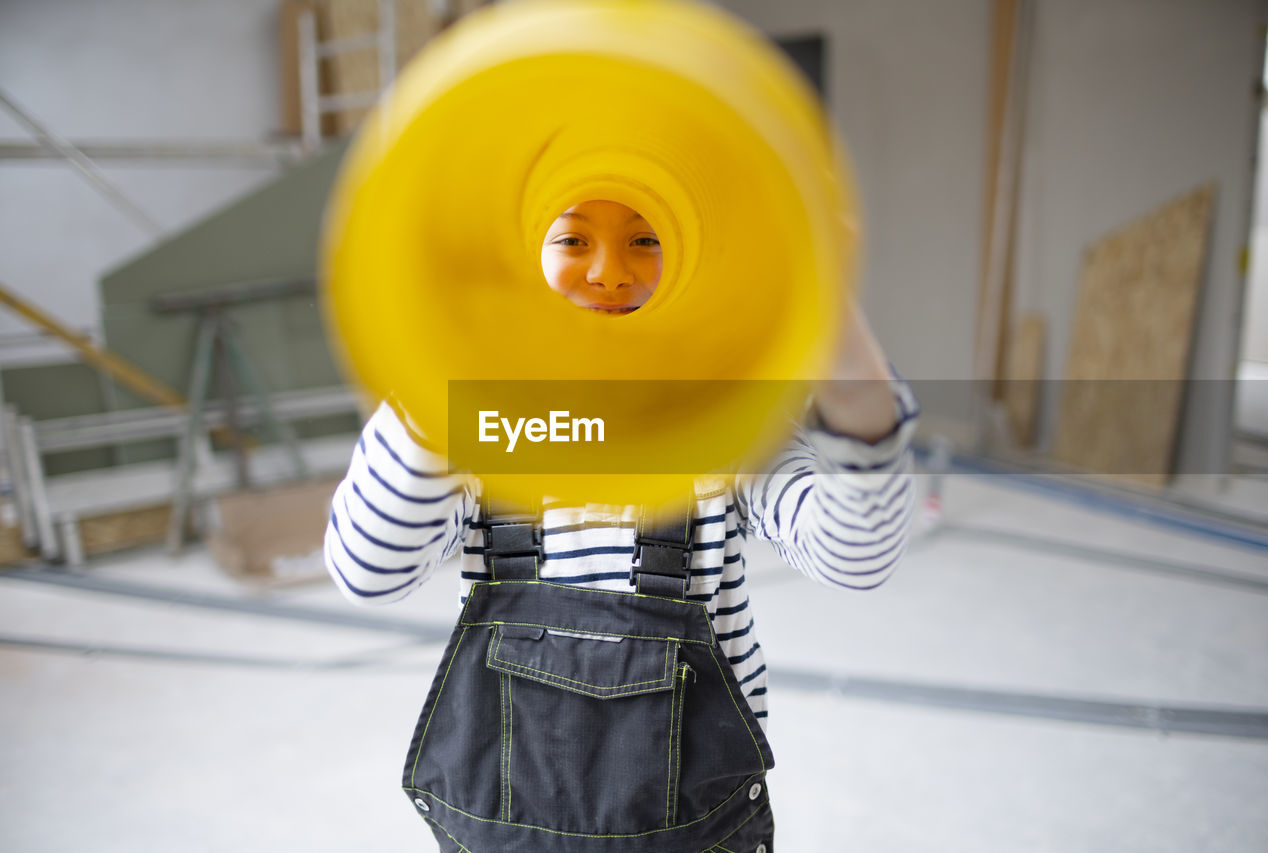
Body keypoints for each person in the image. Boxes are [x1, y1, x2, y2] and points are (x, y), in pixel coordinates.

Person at [324, 200, 918, 853]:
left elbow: (856, 558)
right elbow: (367, 572)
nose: (610, 272)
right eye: (574, 238)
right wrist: (432, 386)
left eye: (646, 238)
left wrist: (859, 394)